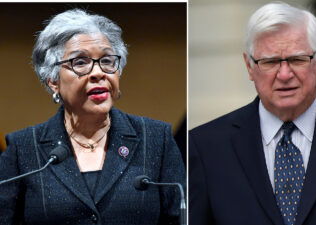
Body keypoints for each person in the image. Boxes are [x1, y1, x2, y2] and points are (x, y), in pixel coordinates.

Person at [189, 2, 316, 225]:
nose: (285, 74)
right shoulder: (205, 147)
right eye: (270, 62)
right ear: (249, 67)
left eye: (297, 60)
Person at [0, 9, 185, 224]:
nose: (98, 73)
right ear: (53, 80)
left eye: (107, 61)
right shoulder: (23, 148)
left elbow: (177, 217)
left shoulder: (155, 139)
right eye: (80, 62)